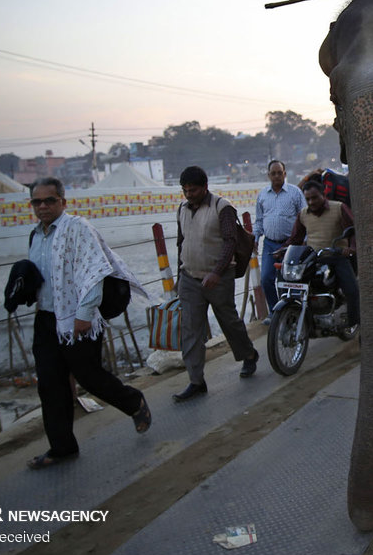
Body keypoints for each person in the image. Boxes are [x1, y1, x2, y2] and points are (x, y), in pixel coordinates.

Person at [25, 177, 150, 469]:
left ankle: (134, 402)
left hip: (78, 316)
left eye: (49, 200)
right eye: (37, 201)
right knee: (50, 384)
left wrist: (83, 313)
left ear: (63, 202)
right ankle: (62, 447)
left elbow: (95, 271)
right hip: (47, 319)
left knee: (89, 376)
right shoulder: (36, 235)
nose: (42, 206)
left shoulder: (78, 229)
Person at [174, 166, 260, 401]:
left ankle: (249, 355)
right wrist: (178, 275)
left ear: (205, 187)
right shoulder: (182, 209)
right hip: (189, 278)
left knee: (228, 321)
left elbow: (230, 241)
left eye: (193, 190)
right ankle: (196, 381)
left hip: (219, 278)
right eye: (185, 190)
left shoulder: (222, 207)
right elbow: (181, 243)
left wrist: (216, 272)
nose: (189, 194)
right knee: (191, 328)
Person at [275, 181, 360, 330]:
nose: (311, 202)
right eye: (307, 199)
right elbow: (295, 239)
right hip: (313, 259)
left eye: (314, 198)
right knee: (285, 277)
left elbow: (353, 231)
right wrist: (283, 250)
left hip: (336, 257)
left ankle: (355, 324)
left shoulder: (339, 208)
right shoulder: (303, 214)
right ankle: (290, 315)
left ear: (324, 195)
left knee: (352, 290)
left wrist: (351, 248)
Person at [253, 160, 307, 323]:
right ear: (269, 175)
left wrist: (304, 240)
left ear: (284, 174)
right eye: (273, 173)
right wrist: (255, 238)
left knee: (290, 281)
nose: (276, 176)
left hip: (291, 245)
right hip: (269, 244)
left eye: (279, 173)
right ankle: (275, 313)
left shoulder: (295, 193)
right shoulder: (262, 195)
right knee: (266, 279)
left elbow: (305, 217)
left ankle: (293, 315)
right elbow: (259, 221)